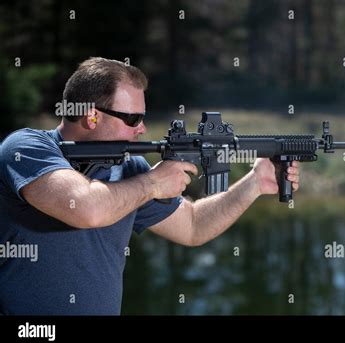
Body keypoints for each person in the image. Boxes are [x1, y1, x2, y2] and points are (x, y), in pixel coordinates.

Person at [0, 57, 299, 315]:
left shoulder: (129, 168)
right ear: (91, 115)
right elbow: (86, 208)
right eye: (133, 118)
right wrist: (154, 182)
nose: (142, 128)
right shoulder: (26, 149)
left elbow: (193, 226)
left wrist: (254, 184)